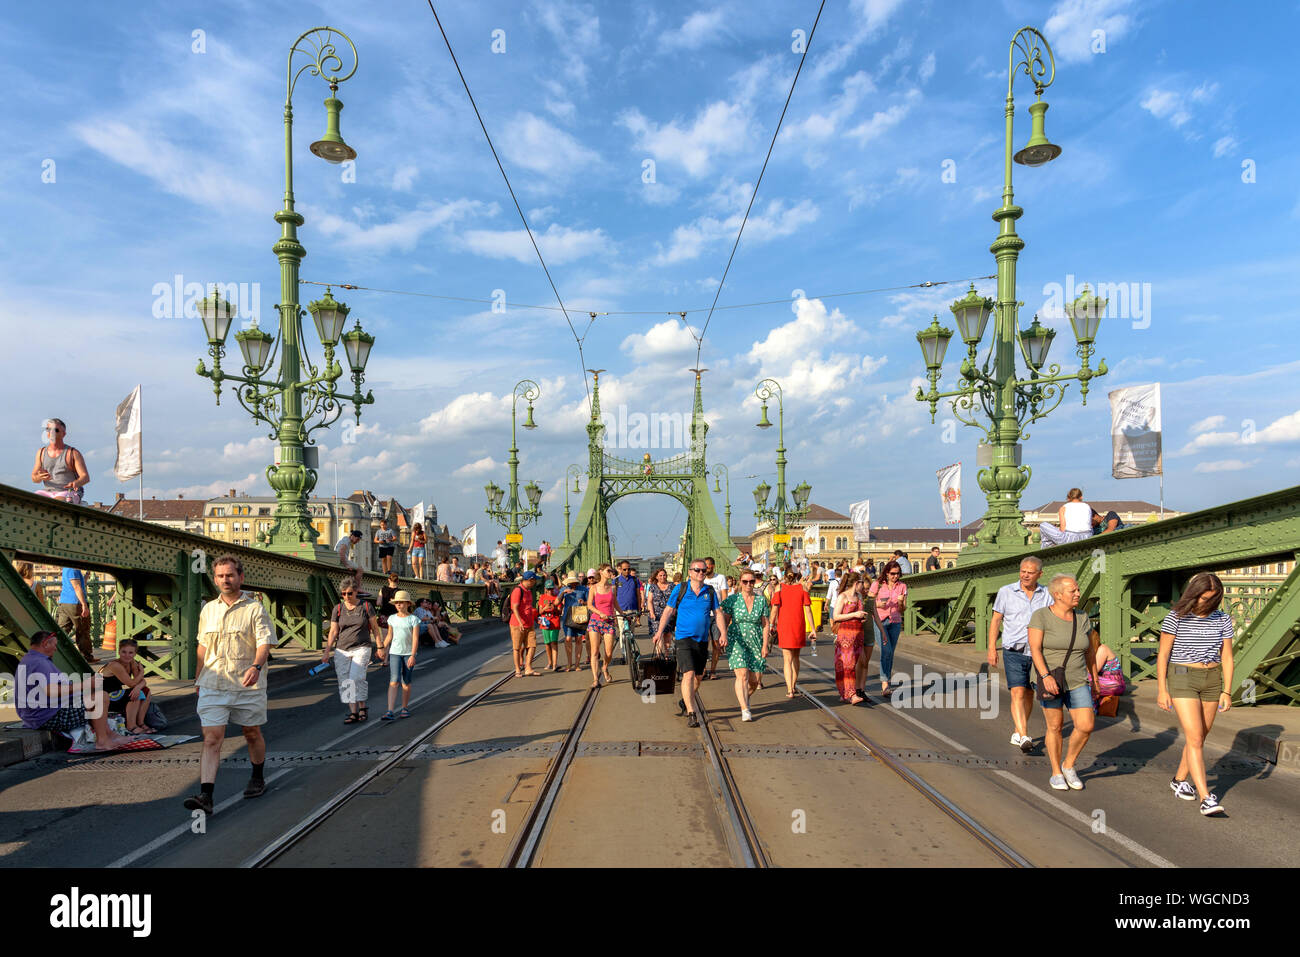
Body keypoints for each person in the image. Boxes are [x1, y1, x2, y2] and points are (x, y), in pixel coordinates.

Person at [184, 556, 274, 815]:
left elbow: (264, 642)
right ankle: (206, 795)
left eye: (230, 575)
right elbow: (202, 646)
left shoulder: (255, 608)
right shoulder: (208, 609)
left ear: (241, 577)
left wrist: (256, 667)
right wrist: (197, 677)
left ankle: (257, 776)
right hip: (213, 683)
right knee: (212, 738)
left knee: (251, 733)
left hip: (247, 683)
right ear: (215, 580)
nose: (226, 580)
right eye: (221, 576)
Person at [1157, 573, 1234, 816]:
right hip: (1181, 675)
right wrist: (1162, 689)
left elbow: (1228, 657)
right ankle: (1206, 797)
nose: (1205, 602)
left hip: (1212, 678)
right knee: (1195, 736)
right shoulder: (1175, 617)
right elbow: (1163, 655)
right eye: (1202, 597)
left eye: (1211, 598)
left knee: (1199, 737)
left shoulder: (1223, 619)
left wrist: (1227, 691)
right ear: (1193, 594)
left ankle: (1180, 779)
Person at [1027, 574, 1100, 792]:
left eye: (1077, 590)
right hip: (1050, 678)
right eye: (1073, 591)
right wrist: (1046, 676)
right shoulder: (1041, 616)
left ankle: (1068, 765)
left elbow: (1089, 650)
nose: (1078, 594)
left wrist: (1094, 678)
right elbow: (1035, 649)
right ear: (1058, 595)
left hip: (1077, 679)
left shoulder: (1082, 617)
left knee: (1086, 725)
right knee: (1055, 726)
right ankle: (1056, 772)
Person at [16, 630, 131, 751]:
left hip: (37, 714)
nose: (56, 649)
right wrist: (84, 685)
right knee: (100, 697)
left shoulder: (30, 659)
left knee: (93, 696)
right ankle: (102, 741)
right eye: (54, 645)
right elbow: (51, 691)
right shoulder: (40, 663)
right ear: (45, 644)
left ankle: (110, 735)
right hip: (48, 716)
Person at [989, 557, 1052, 753]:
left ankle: (1018, 731)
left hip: (1037, 652)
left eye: (1030, 572)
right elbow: (996, 620)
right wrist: (992, 648)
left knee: (1029, 693)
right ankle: (1024, 735)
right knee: (1017, 691)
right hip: (1013, 651)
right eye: (1022, 571)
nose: (1025, 575)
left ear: (1039, 574)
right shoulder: (1006, 592)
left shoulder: (1047, 594)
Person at [652, 558, 725, 727]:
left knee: (699, 677)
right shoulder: (681, 588)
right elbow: (669, 610)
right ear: (690, 572)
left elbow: (718, 613)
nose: (701, 573)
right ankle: (692, 713)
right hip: (684, 638)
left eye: (703, 571)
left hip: (702, 640)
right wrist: (659, 632)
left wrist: (723, 633)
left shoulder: (710, 591)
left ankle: (685, 701)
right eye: (697, 570)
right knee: (689, 674)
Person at [324, 578, 383, 723]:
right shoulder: (338, 609)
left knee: (356, 677)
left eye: (349, 593)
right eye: (343, 594)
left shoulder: (366, 606)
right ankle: (353, 712)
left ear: (356, 592)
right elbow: (333, 631)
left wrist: (380, 647)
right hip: (342, 650)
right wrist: (327, 651)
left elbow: (375, 628)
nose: (346, 597)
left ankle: (362, 706)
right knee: (345, 681)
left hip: (362, 647)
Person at [720, 570, 770, 721]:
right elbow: (725, 619)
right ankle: (745, 709)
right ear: (739, 582)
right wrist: (722, 636)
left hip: (755, 640)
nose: (748, 584)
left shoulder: (761, 601)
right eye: (745, 581)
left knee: (754, 681)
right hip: (736, 639)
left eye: (751, 582)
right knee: (742, 675)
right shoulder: (732, 600)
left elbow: (765, 624)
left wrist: (765, 645)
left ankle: (743, 697)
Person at [769, 567, 810, 698]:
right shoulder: (802, 587)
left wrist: (771, 624)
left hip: (784, 625)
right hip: (798, 625)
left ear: (785, 575)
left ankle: (789, 690)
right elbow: (808, 610)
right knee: (796, 658)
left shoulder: (779, 588)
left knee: (787, 659)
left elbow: (774, 609)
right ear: (797, 575)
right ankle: (793, 685)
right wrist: (813, 629)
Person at [830, 571, 869, 704]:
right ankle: (851, 694)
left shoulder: (858, 597)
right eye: (861, 583)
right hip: (846, 634)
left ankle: (845, 693)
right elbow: (836, 616)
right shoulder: (843, 596)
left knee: (853, 663)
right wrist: (855, 614)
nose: (863, 585)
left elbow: (858, 614)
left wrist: (862, 617)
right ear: (856, 583)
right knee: (848, 665)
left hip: (858, 634)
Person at [379, 591, 420, 721]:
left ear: (408, 604)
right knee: (394, 680)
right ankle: (390, 710)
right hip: (395, 652)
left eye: (401, 602)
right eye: (397, 603)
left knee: (406, 682)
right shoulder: (392, 618)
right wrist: (382, 648)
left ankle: (404, 708)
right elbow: (390, 635)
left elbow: (415, 639)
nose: (398, 605)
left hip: (408, 654)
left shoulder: (414, 619)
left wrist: (413, 655)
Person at [99, 638, 153, 733]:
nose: (127, 655)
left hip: (115, 695)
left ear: (135, 654)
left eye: (130, 653)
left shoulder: (131, 662)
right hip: (103, 698)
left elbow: (142, 682)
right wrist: (142, 672)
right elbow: (131, 683)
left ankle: (140, 723)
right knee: (136, 693)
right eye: (124, 652)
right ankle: (131, 726)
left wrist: (137, 687)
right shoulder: (115, 665)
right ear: (119, 651)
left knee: (145, 691)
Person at [869, 561, 907, 695]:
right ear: (886, 573)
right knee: (886, 651)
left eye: (897, 574)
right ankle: (885, 683)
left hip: (895, 622)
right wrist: (878, 604)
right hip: (880, 621)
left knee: (890, 652)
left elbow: (902, 610)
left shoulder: (902, 586)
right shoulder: (877, 585)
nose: (895, 576)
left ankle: (886, 681)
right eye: (892, 574)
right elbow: (869, 602)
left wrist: (901, 602)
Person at [31, 418, 90, 504]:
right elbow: (34, 478)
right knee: (31, 500)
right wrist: (39, 477)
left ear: (64, 434)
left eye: (56, 430)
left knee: (57, 504)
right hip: (47, 492)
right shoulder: (41, 452)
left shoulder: (73, 453)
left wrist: (75, 483)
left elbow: (85, 477)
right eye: (48, 429)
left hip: (69, 492)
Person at [586, 565, 619, 687]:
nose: (611, 572)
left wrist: (623, 615)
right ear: (601, 572)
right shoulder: (593, 588)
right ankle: (595, 679)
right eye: (608, 571)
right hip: (596, 621)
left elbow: (615, 604)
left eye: (611, 571)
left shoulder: (612, 588)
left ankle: (604, 667)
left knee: (609, 652)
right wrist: (600, 613)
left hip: (609, 622)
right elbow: (589, 605)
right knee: (594, 651)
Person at [54, 565, 94, 660]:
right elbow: (77, 587)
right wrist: (84, 604)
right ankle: (86, 657)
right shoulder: (73, 568)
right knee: (83, 630)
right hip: (75, 603)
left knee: (62, 630)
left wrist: (87, 575)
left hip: (64, 602)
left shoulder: (66, 568)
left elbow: (80, 585)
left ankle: (53, 653)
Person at [510, 571, 541, 678]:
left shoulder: (528, 591)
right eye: (534, 580)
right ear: (530, 580)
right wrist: (520, 622)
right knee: (517, 648)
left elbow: (528, 607)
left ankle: (528, 668)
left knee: (532, 645)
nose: (535, 582)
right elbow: (514, 608)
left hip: (529, 623)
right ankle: (518, 669)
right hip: (517, 624)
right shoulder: (518, 590)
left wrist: (537, 618)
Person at [703, 557, 729, 680]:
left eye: (707, 566)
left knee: (716, 644)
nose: (705, 569)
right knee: (702, 644)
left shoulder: (720, 578)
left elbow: (724, 597)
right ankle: (702, 669)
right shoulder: (700, 578)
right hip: (703, 616)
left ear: (713, 566)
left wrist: (721, 613)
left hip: (716, 616)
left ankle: (713, 670)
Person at [560, 572, 589, 672]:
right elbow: (556, 602)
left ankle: (577, 664)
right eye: (571, 582)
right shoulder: (564, 589)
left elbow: (590, 603)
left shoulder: (584, 589)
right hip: (568, 616)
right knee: (568, 639)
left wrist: (583, 602)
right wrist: (563, 593)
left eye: (574, 582)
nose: (573, 584)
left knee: (578, 639)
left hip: (580, 615)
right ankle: (569, 663)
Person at [536, 577, 563, 672]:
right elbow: (540, 611)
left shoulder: (557, 598)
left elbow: (559, 612)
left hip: (555, 623)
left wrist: (554, 608)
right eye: (548, 589)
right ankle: (550, 662)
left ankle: (555, 664)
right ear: (545, 589)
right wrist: (545, 608)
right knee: (547, 644)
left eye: (551, 588)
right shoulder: (542, 597)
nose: (550, 591)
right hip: (545, 623)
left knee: (554, 643)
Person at [645, 567, 672, 647]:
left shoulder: (672, 586)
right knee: (658, 634)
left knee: (667, 634)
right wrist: (651, 613)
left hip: (668, 613)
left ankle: (666, 655)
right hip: (656, 613)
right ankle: (659, 655)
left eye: (664, 575)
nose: (662, 577)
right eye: (660, 575)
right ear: (656, 577)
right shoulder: (653, 587)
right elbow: (649, 601)